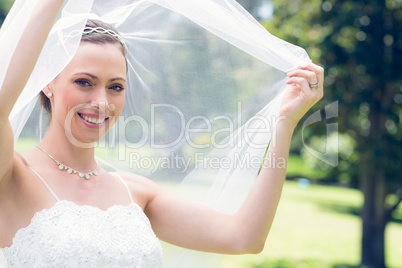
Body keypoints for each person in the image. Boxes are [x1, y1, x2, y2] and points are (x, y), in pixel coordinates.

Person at [0, 0, 324, 267]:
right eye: (84, 82)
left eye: (115, 87)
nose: (101, 102)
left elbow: (244, 237)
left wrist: (285, 123)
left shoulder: (137, 193)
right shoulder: (12, 176)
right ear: (47, 81)